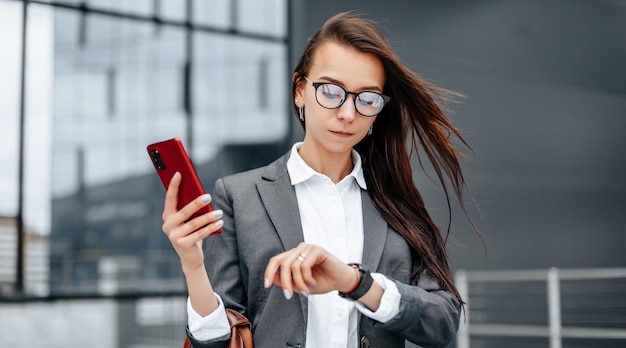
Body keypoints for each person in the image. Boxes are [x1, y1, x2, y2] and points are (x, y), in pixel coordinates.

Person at [162, 11, 475, 348]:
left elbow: (444, 322)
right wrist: (193, 266)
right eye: (330, 91)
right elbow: (220, 340)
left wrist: (357, 282)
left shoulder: (396, 203)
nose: (347, 113)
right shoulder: (240, 196)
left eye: (367, 99)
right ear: (300, 90)